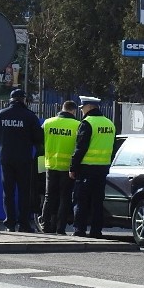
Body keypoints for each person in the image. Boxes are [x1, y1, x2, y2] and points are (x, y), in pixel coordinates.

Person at [0, 88, 44, 232]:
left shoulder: (0, 115)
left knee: (8, 192)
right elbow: (39, 138)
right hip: (24, 159)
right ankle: (24, 224)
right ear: (24, 100)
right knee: (24, 192)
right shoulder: (30, 116)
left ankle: (10, 224)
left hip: (6, 158)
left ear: (10, 100)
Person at [69, 96, 115, 239]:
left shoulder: (87, 123)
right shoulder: (110, 123)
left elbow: (80, 148)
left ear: (89, 107)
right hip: (102, 169)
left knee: (81, 200)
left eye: (83, 108)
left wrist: (73, 167)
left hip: (86, 169)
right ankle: (96, 231)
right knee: (97, 202)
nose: (82, 111)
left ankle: (79, 230)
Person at [40, 100, 80, 234]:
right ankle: (60, 228)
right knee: (65, 198)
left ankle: (45, 226)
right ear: (74, 111)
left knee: (48, 197)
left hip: (50, 165)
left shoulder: (48, 123)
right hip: (68, 168)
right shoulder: (77, 125)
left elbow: (40, 142)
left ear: (62, 108)